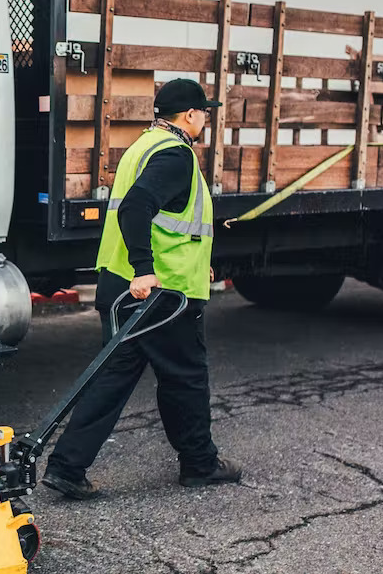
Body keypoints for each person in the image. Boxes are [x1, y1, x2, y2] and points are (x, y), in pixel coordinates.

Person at [41, 78, 242, 499]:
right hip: (161, 292)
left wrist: (189, 263)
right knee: (185, 377)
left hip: (122, 283)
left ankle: (66, 467)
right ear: (189, 115)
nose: (205, 118)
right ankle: (199, 464)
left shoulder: (143, 146)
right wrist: (146, 269)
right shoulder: (176, 154)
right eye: (204, 112)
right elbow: (137, 207)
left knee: (112, 376)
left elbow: (169, 220)